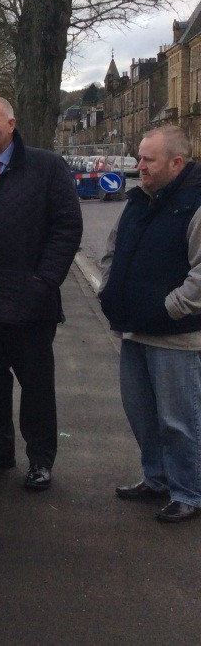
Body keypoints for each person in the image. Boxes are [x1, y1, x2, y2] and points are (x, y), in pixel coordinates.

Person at [0, 96, 82, 491]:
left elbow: (67, 228)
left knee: (36, 386)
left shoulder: (46, 167)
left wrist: (44, 282)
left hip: (30, 305)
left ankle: (40, 459)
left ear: (11, 124)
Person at [100, 125, 201, 523]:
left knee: (179, 421)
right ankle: (156, 477)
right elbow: (112, 248)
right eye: (138, 158)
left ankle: (189, 491)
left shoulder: (195, 204)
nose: (138, 166)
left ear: (177, 163)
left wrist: (170, 308)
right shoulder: (139, 200)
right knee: (142, 414)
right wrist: (109, 291)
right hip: (134, 329)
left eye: (147, 160)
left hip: (176, 338)